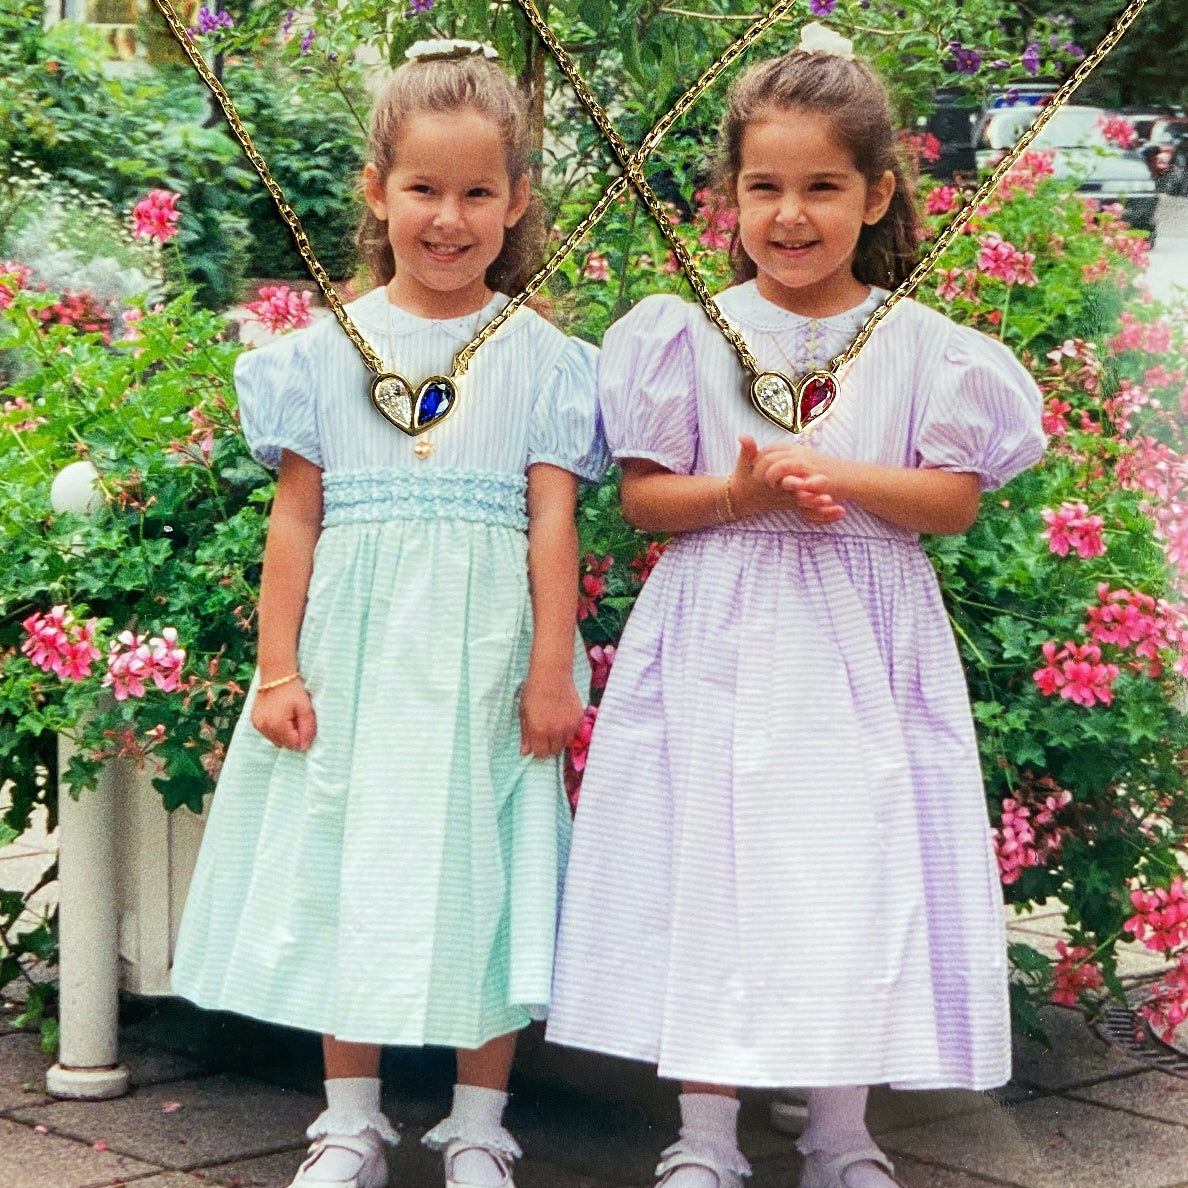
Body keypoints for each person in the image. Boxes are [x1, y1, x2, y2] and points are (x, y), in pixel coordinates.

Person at [546, 23, 1045, 1188]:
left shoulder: (926, 346)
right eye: (763, 187)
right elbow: (648, 504)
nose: (791, 215)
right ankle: (705, 1136)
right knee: (708, 868)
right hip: (721, 638)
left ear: (876, 192)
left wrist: (836, 476)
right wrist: (742, 487)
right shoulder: (686, 336)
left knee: (846, 871)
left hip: (858, 654)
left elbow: (953, 501)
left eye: (823, 186)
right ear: (727, 197)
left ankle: (838, 1130)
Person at [171, 42, 606, 1188]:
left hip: (485, 660)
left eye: (477, 193)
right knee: (347, 866)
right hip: (355, 657)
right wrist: (277, 668)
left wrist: (552, 671)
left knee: (486, 869)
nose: (449, 218)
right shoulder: (322, 354)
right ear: (376, 191)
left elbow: (552, 525)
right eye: (424, 189)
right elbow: (296, 523)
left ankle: (477, 1122)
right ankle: (350, 1119)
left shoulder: (545, 361)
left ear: (516, 201)